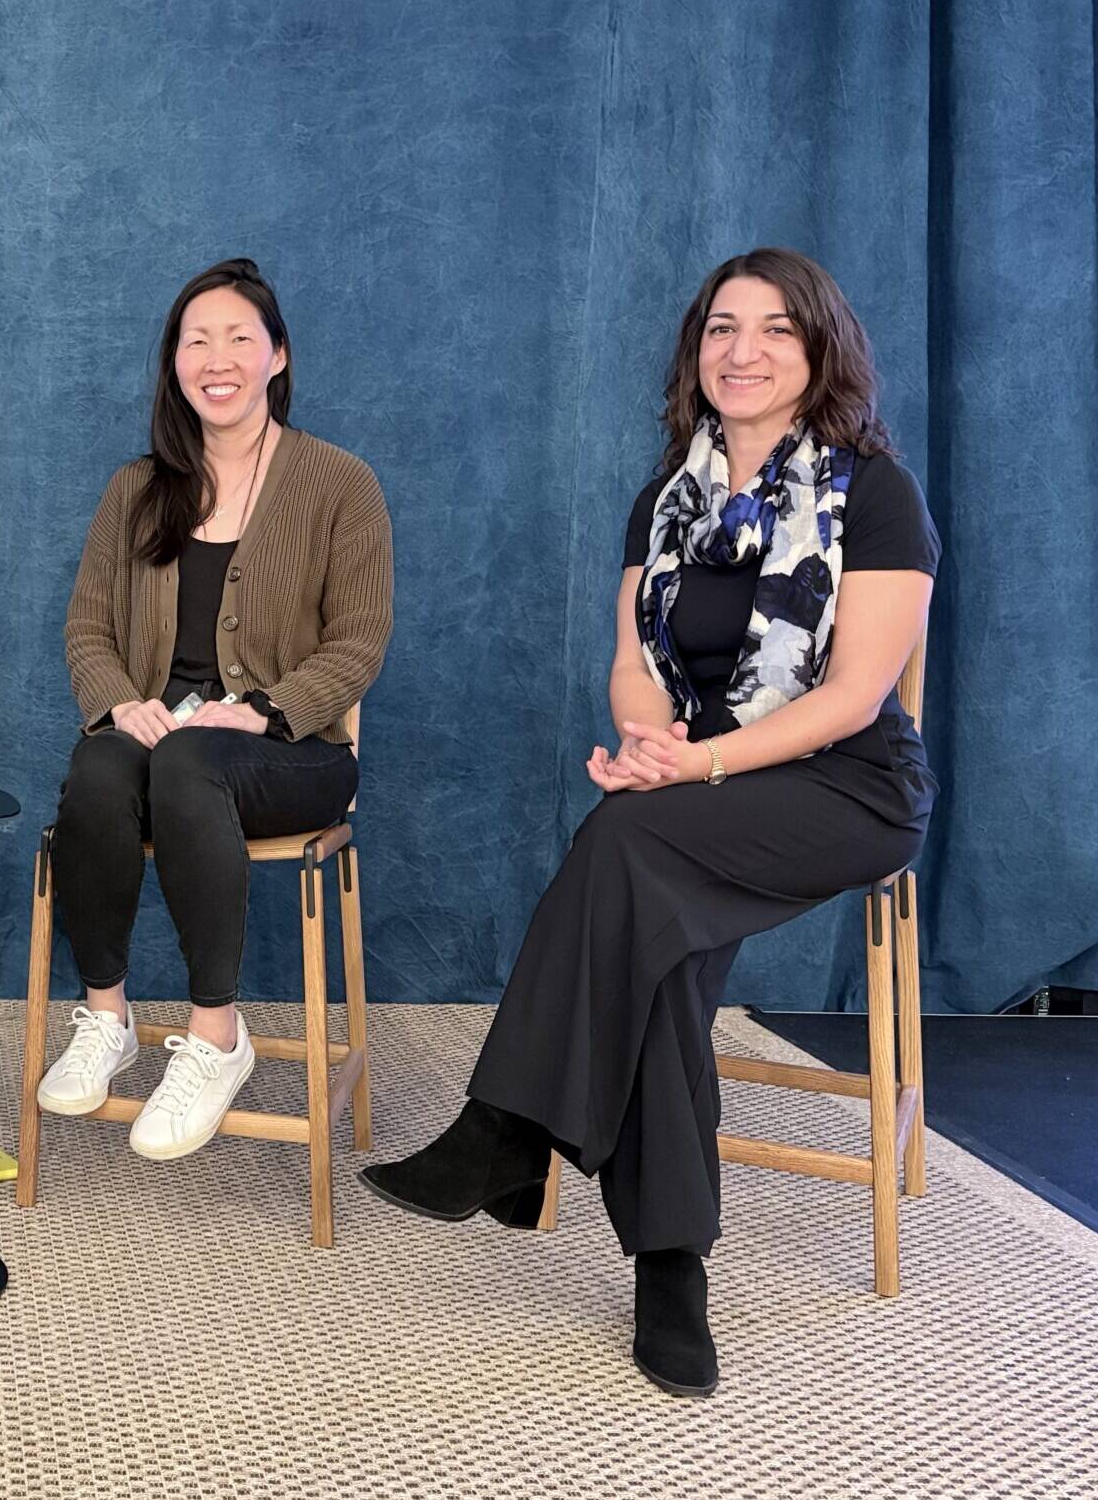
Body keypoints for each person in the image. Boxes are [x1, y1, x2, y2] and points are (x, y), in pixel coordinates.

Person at [361, 247, 937, 1398]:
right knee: (654, 936)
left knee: (625, 848)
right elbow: (633, 665)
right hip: (703, 787)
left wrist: (695, 764)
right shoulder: (664, 496)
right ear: (695, 350)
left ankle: (507, 1130)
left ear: (820, 351)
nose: (743, 350)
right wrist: (644, 744)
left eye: (774, 329)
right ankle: (669, 1271)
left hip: (847, 786)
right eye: (721, 328)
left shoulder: (870, 492)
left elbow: (850, 698)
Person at [41, 258, 392, 1161]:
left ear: (278, 356)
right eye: (196, 340)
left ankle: (215, 1036)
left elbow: (359, 641)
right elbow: (86, 627)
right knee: (97, 769)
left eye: (240, 337)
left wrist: (268, 710)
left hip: (295, 751)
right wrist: (122, 704)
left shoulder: (340, 484)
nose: (217, 357)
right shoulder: (136, 489)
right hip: (161, 743)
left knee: (192, 761)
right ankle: (107, 1016)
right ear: (174, 364)